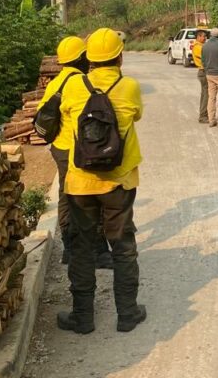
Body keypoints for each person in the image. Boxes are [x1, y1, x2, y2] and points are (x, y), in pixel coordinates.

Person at [58, 28, 147, 335]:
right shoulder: (130, 86)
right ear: (119, 57)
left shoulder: (72, 87)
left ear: (90, 59)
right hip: (118, 182)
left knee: (82, 247)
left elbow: (66, 121)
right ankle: (127, 313)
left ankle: (83, 318)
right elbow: (136, 116)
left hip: (80, 181)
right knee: (122, 246)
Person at [44, 36, 111, 268]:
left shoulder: (55, 84)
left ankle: (69, 249)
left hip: (59, 149)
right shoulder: (83, 83)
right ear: (82, 58)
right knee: (94, 196)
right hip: (78, 150)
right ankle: (99, 250)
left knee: (66, 195)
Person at [193, 30, 209, 125]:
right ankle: (203, 116)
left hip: (204, 71)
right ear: (198, 37)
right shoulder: (198, 47)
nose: (205, 38)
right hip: (203, 71)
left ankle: (204, 114)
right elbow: (206, 56)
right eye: (204, 36)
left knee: (205, 94)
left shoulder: (201, 46)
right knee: (206, 95)